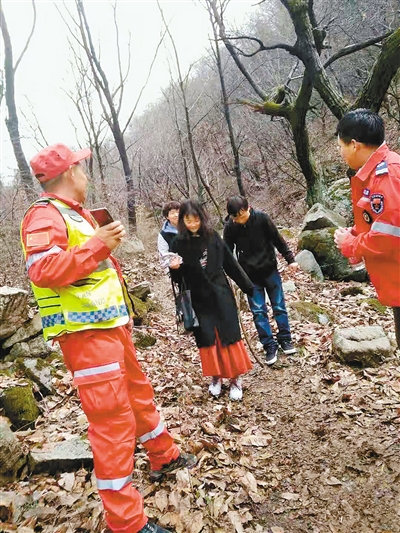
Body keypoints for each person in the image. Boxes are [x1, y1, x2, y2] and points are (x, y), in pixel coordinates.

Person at [20, 143, 196, 533]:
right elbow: (44, 269)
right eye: (82, 168)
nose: (86, 175)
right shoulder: (42, 216)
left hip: (110, 328)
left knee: (138, 393)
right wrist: (100, 243)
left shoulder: (76, 215)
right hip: (85, 337)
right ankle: (127, 523)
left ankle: (163, 455)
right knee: (112, 423)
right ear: (69, 173)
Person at [169, 200, 254, 401]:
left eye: (196, 219)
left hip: (221, 294)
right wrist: (174, 269)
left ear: (202, 217)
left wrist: (248, 287)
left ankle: (235, 380)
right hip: (198, 298)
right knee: (208, 338)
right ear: (183, 221)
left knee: (228, 335)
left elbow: (230, 264)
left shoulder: (213, 237)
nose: (192, 224)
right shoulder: (177, 243)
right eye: (188, 220)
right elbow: (177, 279)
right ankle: (216, 378)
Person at [334, 109, 400, 348]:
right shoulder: (379, 171)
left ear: (354, 145)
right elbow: (381, 220)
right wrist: (356, 232)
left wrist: (351, 245)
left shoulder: (387, 175)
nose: (340, 153)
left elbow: (389, 236)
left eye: (340, 146)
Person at [223, 196, 298, 365]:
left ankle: (285, 339)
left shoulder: (262, 218)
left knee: (279, 306)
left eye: (242, 215)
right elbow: (227, 253)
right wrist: (230, 274)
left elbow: (277, 239)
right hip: (249, 277)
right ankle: (269, 346)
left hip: (269, 269)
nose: (240, 220)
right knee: (258, 312)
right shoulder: (230, 227)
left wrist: (290, 259)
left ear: (248, 208)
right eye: (236, 218)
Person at [157, 201, 180, 269]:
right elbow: (163, 257)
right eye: (172, 213)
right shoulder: (163, 235)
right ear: (167, 217)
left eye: (178, 212)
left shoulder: (191, 227)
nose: (176, 215)